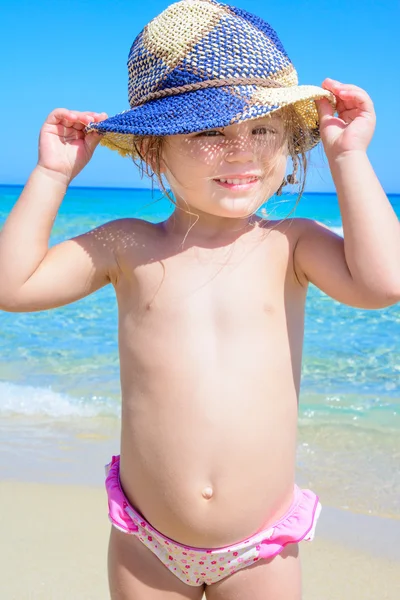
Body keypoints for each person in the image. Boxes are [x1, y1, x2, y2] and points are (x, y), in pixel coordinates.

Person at [1, 0, 399, 598]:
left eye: (262, 129)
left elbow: (382, 282)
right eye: (209, 131)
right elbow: (14, 285)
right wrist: (52, 175)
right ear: (153, 149)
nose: (241, 150)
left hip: (260, 547)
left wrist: (348, 157)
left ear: (291, 143)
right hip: (147, 542)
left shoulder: (289, 245)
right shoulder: (126, 244)